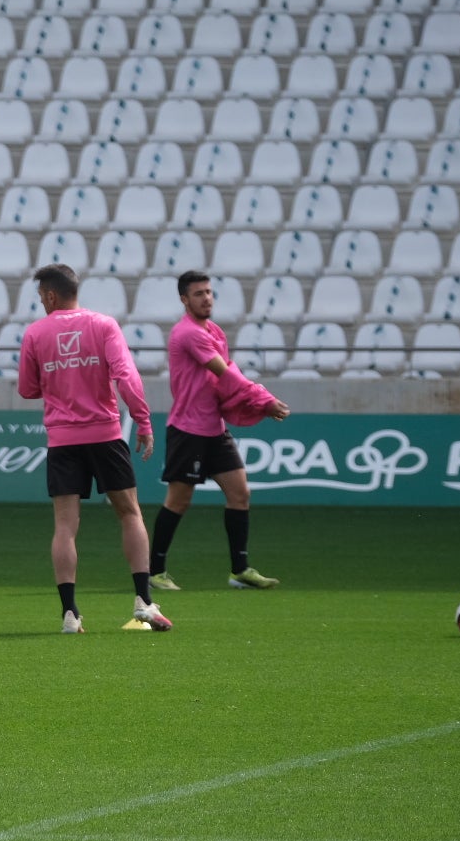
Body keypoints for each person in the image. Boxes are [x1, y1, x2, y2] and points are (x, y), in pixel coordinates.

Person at [17, 263, 171, 634]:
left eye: (41, 297)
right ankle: (144, 603)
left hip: (63, 441)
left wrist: (59, 378)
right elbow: (126, 377)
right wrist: (144, 422)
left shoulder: (35, 333)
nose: (41, 303)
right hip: (104, 435)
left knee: (66, 526)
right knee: (130, 513)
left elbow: (27, 388)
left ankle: (70, 615)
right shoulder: (103, 325)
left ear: (51, 295)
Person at [148, 270, 292, 592]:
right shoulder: (189, 333)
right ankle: (154, 572)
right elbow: (224, 372)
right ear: (184, 300)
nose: (206, 298)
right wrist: (263, 400)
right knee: (179, 501)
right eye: (198, 294)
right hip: (188, 429)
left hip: (214, 428)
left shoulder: (212, 330)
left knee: (240, 494)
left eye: (209, 292)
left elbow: (225, 381)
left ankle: (239, 570)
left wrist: (251, 403)